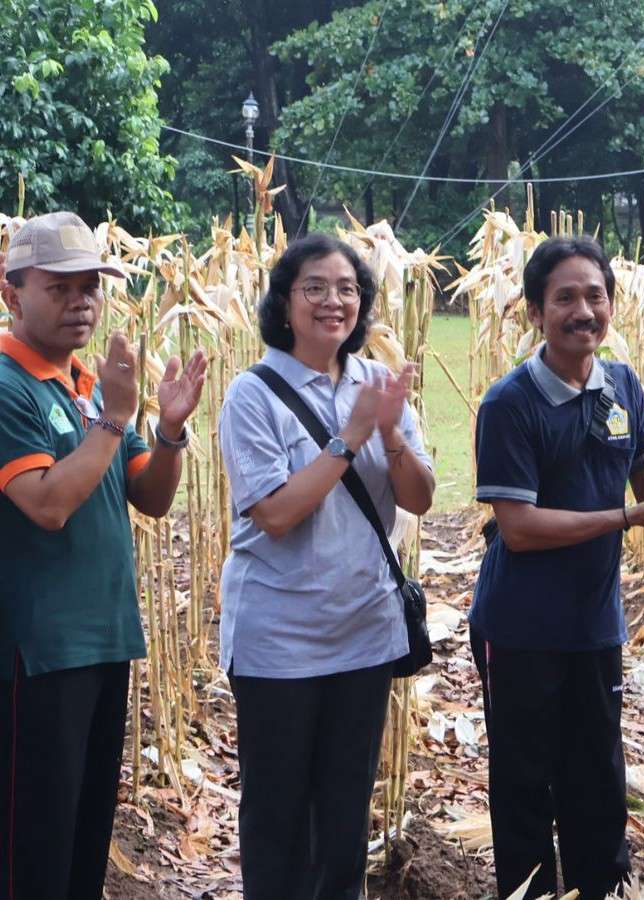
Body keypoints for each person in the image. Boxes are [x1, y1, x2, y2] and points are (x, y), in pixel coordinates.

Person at [217, 233, 435, 899]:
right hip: (279, 640)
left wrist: (392, 434)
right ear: (285, 302)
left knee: (344, 816)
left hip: (364, 634)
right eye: (314, 287)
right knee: (279, 816)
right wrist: (351, 439)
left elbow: (418, 497)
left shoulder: (377, 384)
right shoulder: (251, 395)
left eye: (347, 289)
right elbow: (278, 514)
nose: (332, 301)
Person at [470, 235, 644, 900]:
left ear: (611, 305)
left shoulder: (620, 385)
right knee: (525, 789)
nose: (583, 310)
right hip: (520, 629)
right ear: (536, 312)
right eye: (565, 298)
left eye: (595, 296)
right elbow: (521, 528)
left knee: (596, 784)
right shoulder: (509, 405)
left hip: (593, 626)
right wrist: (625, 518)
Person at [0, 212, 206, 899]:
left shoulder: (90, 382)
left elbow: (148, 496)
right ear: (12, 294)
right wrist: (115, 417)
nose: (80, 301)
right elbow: (48, 504)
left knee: (84, 839)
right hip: (39, 653)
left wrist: (169, 430)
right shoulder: (8, 386)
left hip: (105, 640)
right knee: (33, 848)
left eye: (90, 286)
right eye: (58, 287)